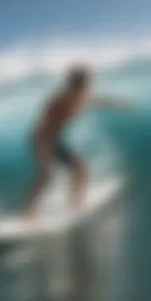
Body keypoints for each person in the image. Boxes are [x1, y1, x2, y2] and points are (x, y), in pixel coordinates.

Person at [23, 64, 131, 221]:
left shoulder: (82, 97)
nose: (87, 84)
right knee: (46, 174)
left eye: (84, 82)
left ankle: (75, 204)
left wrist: (119, 105)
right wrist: (44, 150)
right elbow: (43, 122)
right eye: (81, 82)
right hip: (41, 138)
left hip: (54, 138)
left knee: (80, 170)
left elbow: (99, 101)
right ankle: (28, 213)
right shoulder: (60, 98)